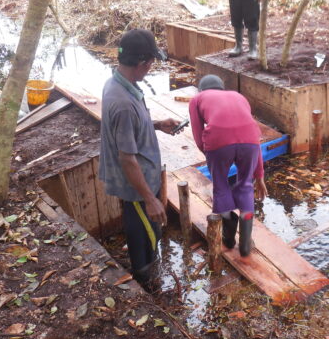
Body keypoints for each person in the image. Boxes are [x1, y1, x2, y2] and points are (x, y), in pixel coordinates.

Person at [99, 29, 180, 292]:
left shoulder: (121, 84)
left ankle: (146, 268)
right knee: (144, 233)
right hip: (136, 185)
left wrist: (156, 125)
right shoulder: (123, 104)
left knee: (145, 230)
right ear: (143, 63)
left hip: (142, 178)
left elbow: (128, 133)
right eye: (151, 62)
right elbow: (127, 158)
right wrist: (150, 198)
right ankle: (145, 280)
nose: (151, 67)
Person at [188, 74, 267, 257]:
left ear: (202, 89)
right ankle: (246, 242)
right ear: (222, 88)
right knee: (245, 184)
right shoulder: (239, 96)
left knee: (221, 185)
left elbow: (198, 134)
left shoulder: (197, 99)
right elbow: (253, 137)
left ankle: (228, 232)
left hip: (218, 141)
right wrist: (259, 175)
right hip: (250, 142)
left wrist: (210, 154)